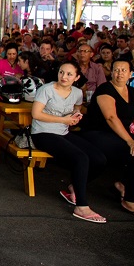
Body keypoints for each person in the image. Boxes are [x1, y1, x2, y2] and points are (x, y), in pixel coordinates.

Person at [30, 60, 107, 223]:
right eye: (61, 72)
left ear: (76, 77)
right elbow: (36, 114)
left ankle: (74, 187)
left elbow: (77, 107)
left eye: (69, 74)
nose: (64, 76)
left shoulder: (77, 92)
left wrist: (76, 114)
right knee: (81, 157)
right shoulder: (47, 89)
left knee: (99, 158)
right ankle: (81, 206)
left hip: (63, 132)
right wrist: (63, 120)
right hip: (43, 133)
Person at [78, 60, 134, 216]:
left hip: (121, 134)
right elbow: (111, 117)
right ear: (111, 72)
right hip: (98, 133)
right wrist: (130, 140)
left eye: (124, 70)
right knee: (133, 150)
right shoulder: (105, 89)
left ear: (131, 74)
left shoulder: (133, 91)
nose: (120, 73)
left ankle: (124, 185)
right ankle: (130, 200)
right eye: (116, 70)